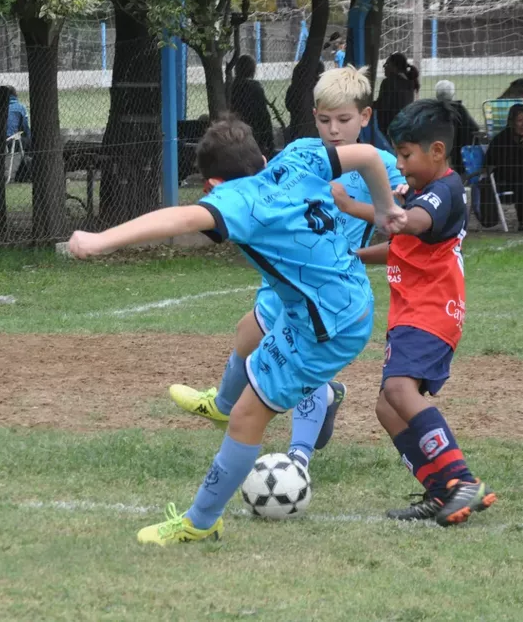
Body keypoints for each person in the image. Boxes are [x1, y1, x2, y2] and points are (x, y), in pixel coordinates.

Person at [68, 118, 407, 546]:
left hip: (326, 327)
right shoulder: (299, 158)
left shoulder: (237, 201)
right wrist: (382, 208)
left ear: (212, 183)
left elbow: (179, 218)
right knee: (250, 341)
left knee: (247, 418)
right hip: (339, 302)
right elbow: (367, 154)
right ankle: (275, 402)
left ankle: (200, 521)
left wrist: (100, 240)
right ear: (262, 157)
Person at [169, 66, 407, 471]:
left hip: (327, 287)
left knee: (301, 357)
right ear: (314, 115)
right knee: (248, 334)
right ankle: (224, 405)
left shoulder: (379, 164)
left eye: (345, 120)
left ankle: (298, 456)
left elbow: (399, 211)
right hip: (285, 276)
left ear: (365, 118)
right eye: (325, 120)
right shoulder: (303, 152)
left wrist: (381, 201)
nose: (334, 130)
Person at [351, 99, 496, 525]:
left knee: (399, 391)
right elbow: (401, 246)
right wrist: (352, 255)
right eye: (396, 154)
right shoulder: (421, 191)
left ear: (436, 151)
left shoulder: (445, 190)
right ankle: (439, 492)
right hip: (413, 311)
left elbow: (405, 224)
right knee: (386, 407)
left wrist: (349, 205)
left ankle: (462, 480)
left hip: (431, 311)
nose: (400, 163)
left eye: (405, 154)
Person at [229, 55, 275, 158]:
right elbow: (263, 115)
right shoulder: (255, 87)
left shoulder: (231, 87)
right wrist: (269, 140)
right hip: (254, 131)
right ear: (252, 70)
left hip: (235, 128)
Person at [434, 80, 480, 175]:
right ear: (452, 94)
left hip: (437, 154)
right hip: (458, 156)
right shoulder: (459, 109)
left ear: (437, 95)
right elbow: (474, 128)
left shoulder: (432, 110)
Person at [375, 52, 420, 140]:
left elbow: (382, 106)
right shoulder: (410, 82)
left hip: (388, 130)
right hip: (404, 128)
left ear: (395, 67)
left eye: (387, 64)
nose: (384, 66)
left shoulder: (389, 82)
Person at [0, 85, 31, 149]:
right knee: (30, 139)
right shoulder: (20, 107)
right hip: (11, 142)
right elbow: (25, 128)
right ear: (14, 94)